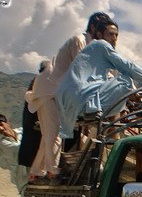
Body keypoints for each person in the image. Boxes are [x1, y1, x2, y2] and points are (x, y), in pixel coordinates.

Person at [26, 11, 112, 183]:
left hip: (57, 91)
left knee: (48, 134)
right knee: (54, 133)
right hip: (49, 89)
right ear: (94, 28)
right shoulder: (79, 40)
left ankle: (36, 172)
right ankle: (53, 173)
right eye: (102, 30)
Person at [56, 19, 142, 138]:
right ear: (100, 35)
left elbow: (109, 78)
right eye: (110, 34)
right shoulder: (101, 44)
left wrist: (133, 93)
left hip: (68, 99)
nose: (114, 38)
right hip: (80, 96)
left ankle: (93, 115)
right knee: (126, 80)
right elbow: (128, 67)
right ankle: (92, 113)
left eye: (116, 35)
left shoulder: (92, 50)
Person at [0, 113, 29, 191]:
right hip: (23, 181)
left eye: (1, 124)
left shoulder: (23, 131)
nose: (0, 128)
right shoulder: (3, 143)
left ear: (8, 123)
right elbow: (20, 150)